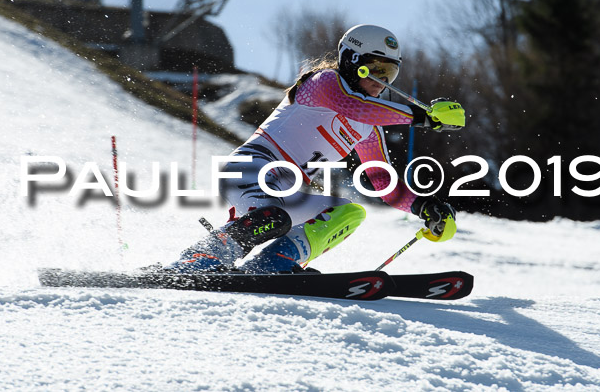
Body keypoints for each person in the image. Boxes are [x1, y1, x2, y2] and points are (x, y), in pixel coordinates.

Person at [165, 24, 465, 274]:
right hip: (251, 169)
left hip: (287, 189)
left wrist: (426, 207)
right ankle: (198, 259)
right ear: (351, 60)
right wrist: (423, 117)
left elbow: (381, 180)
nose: (382, 80)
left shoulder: (368, 128)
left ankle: (272, 264)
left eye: (390, 72)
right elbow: (353, 106)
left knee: (348, 213)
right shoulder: (324, 82)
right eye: (375, 68)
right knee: (273, 217)